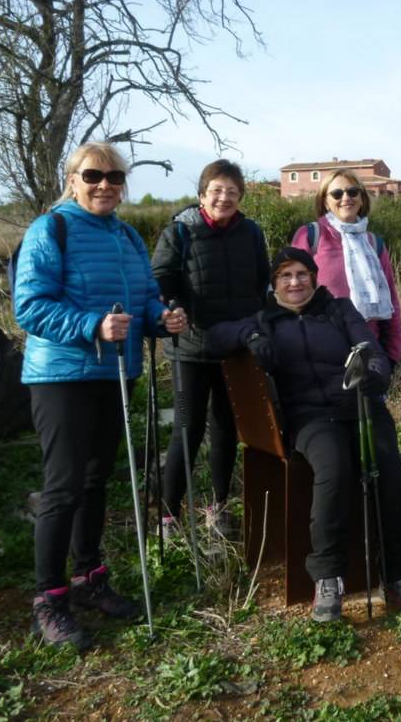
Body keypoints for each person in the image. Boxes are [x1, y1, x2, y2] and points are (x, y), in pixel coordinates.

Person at [14, 141, 187, 650]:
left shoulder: (128, 236)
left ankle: (90, 578)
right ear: (72, 179)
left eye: (114, 178)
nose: (105, 185)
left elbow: (144, 299)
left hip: (115, 372)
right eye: (93, 176)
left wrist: (161, 317)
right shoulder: (51, 229)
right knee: (64, 485)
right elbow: (30, 307)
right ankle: (49, 599)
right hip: (62, 375)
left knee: (96, 480)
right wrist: (92, 324)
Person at [206, 247, 401, 623]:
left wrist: (374, 374)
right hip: (309, 418)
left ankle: (398, 573)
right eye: (286, 276)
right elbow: (214, 336)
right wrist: (251, 332)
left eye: (302, 274)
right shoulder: (266, 318)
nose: (295, 282)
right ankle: (327, 577)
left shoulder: (339, 309)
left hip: (360, 406)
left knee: (386, 467)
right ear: (274, 283)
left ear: (314, 276)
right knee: (334, 468)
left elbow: (370, 348)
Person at [151, 159, 270, 535]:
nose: (224, 198)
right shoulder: (180, 232)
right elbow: (161, 278)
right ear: (202, 194)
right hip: (190, 349)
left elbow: (262, 280)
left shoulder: (250, 232)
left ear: (240, 197)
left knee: (225, 428)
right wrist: (171, 307)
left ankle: (218, 507)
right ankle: (168, 514)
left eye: (232, 192)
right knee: (187, 427)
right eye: (217, 190)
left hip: (234, 348)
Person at [291, 168, 401, 364]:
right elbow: (290, 297)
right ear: (325, 201)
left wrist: (391, 356)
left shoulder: (374, 244)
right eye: (337, 193)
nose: (346, 198)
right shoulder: (310, 237)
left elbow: (392, 301)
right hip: (321, 354)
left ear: (361, 198)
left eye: (353, 192)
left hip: (369, 353)